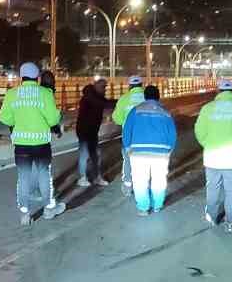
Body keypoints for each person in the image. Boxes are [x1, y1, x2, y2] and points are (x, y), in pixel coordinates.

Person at [0, 62, 65, 225]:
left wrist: (18, 119)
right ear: (37, 77)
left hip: (21, 143)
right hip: (41, 143)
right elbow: (53, 119)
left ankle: (25, 214)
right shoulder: (45, 93)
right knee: (44, 175)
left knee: (23, 178)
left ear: (21, 77)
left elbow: (4, 118)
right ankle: (49, 209)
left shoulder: (12, 94)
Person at [194, 78, 232, 233]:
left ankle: (212, 217)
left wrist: (207, 144)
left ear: (219, 91)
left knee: (212, 187)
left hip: (212, 156)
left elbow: (199, 131)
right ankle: (230, 221)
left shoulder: (208, 109)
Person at [121, 85, 176, 216]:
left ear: (145, 97)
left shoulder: (135, 111)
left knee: (140, 180)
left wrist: (128, 147)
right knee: (159, 180)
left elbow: (127, 131)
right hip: (161, 152)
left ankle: (143, 208)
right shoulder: (166, 113)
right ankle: (157, 205)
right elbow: (172, 134)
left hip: (138, 151)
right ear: (158, 97)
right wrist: (169, 150)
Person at [75, 77, 115, 187]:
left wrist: (119, 101)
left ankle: (97, 177)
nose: (105, 90)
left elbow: (105, 103)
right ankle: (82, 178)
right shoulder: (89, 96)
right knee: (85, 154)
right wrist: (120, 102)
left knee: (95, 154)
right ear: (96, 86)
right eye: (103, 87)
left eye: (105, 87)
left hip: (92, 130)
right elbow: (103, 104)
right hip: (84, 130)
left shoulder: (96, 96)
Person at [111, 75, 146, 187]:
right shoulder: (148, 97)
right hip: (147, 133)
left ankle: (127, 183)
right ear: (141, 85)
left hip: (129, 134)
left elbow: (117, 119)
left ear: (129, 86)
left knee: (128, 158)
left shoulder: (124, 99)